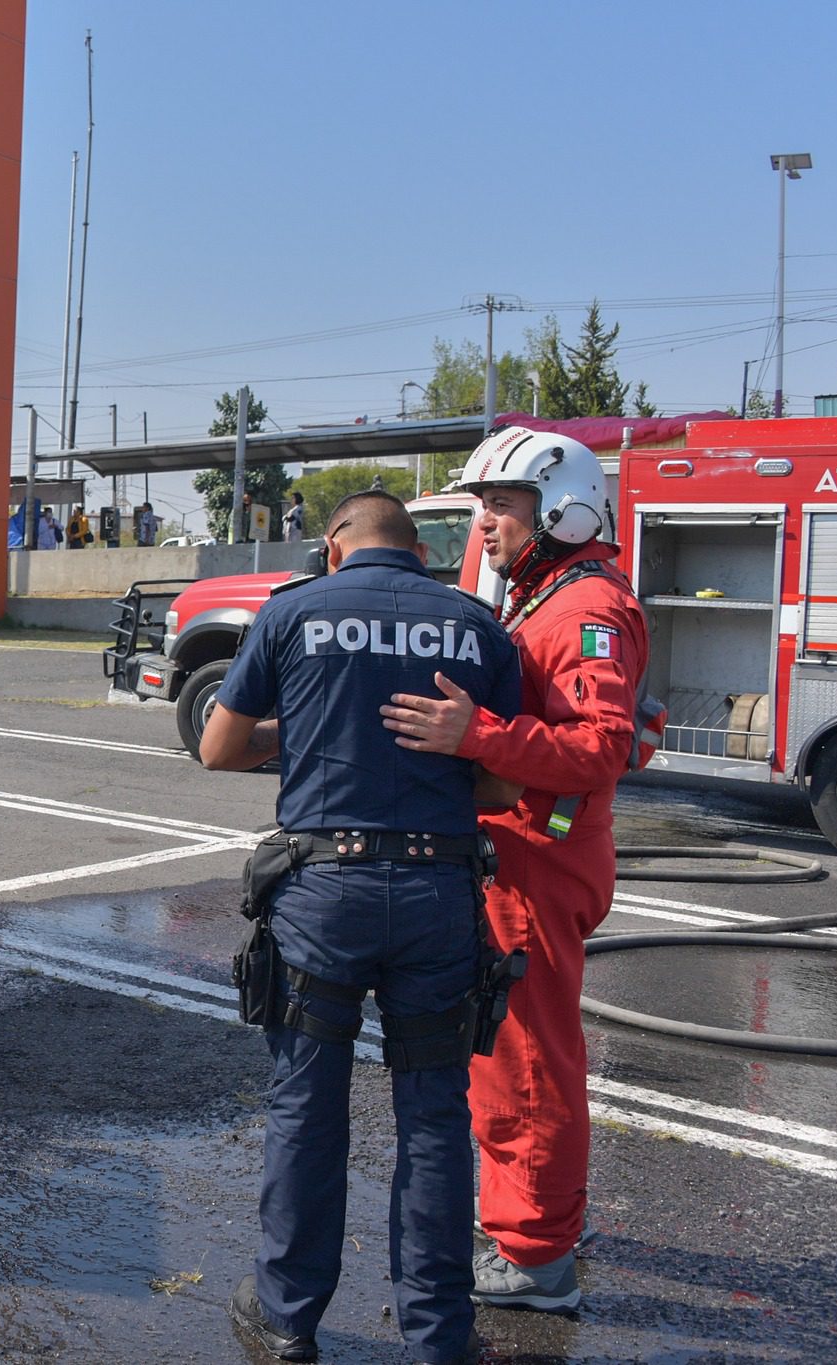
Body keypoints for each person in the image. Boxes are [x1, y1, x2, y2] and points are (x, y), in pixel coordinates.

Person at [202, 490, 522, 1365]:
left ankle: (287, 1314)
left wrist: (307, 728)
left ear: (336, 547)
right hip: (437, 893)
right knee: (432, 1113)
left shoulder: (294, 611)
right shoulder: (478, 625)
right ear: (418, 550)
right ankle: (437, 1336)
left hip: (323, 893)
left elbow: (218, 747)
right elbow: (500, 785)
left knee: (306, 1106)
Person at [382, 427, 647, 1314]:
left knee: (527, 1062)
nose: (483, 521)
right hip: (530, 849)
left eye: (500, 504)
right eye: (480, 505)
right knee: (506, 1055)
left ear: (560, 508)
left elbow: (602, 744)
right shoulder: (549, 593)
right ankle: (531, 1219)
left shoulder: (584, 609)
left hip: (542, 857)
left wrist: (478, 736)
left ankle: (537, 1258)